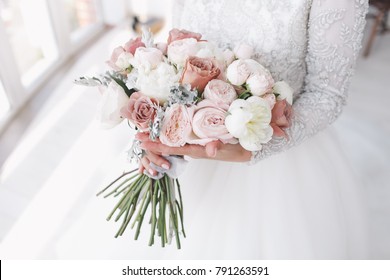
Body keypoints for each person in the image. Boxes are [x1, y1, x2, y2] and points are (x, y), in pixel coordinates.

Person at [56, 0, 370, 259]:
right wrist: (157, 131)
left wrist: (253, 149)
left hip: (277, 171)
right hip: (188, 154)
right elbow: (179, 46)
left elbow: (327, 94)